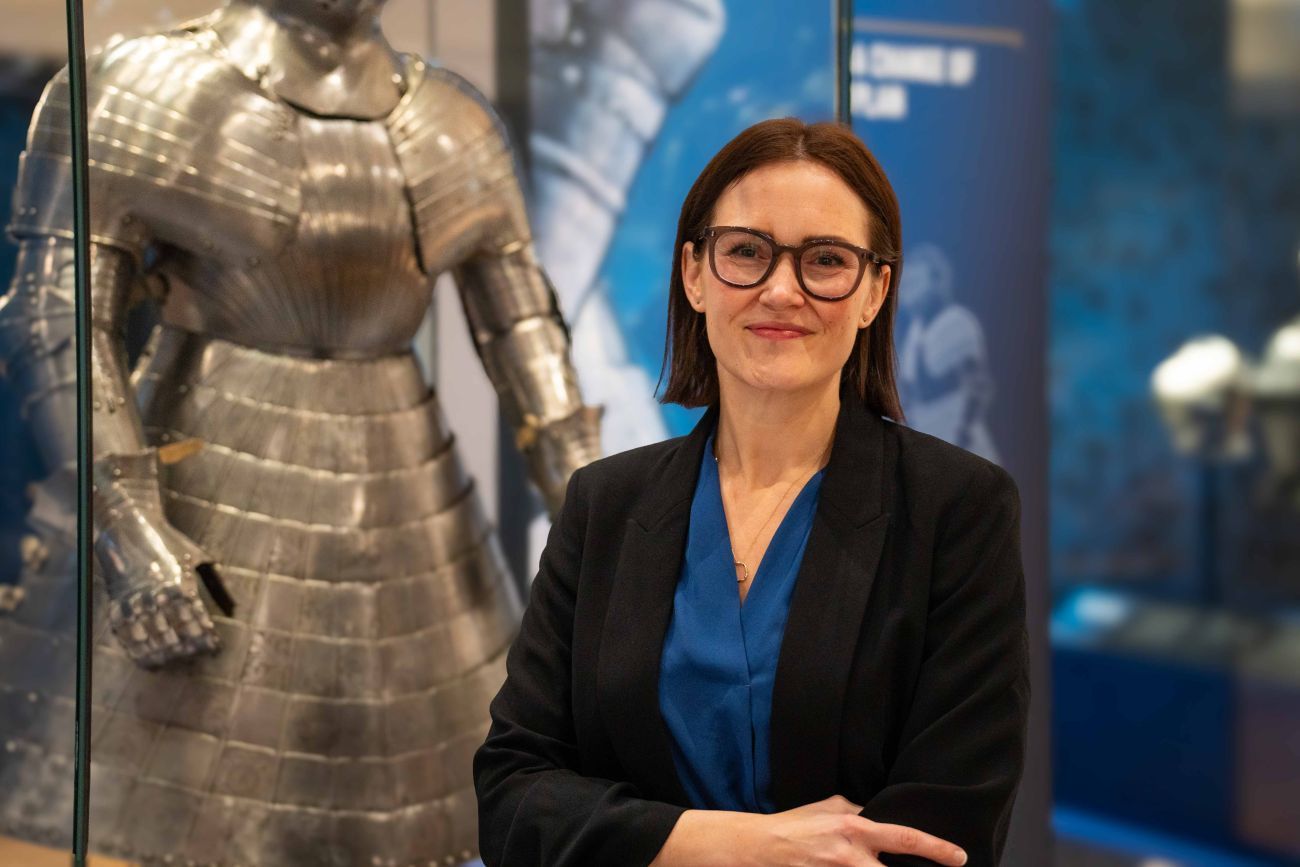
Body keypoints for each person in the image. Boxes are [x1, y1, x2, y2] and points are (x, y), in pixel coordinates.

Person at [474, 118, 1029, 867]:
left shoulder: (958, 510)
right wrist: (746, 844)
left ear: (874, 292)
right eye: (746, 251)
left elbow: (943, 836)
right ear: (695, 274)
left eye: (825, 260)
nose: (780, 289)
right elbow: (513, 796)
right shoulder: (604, 503)